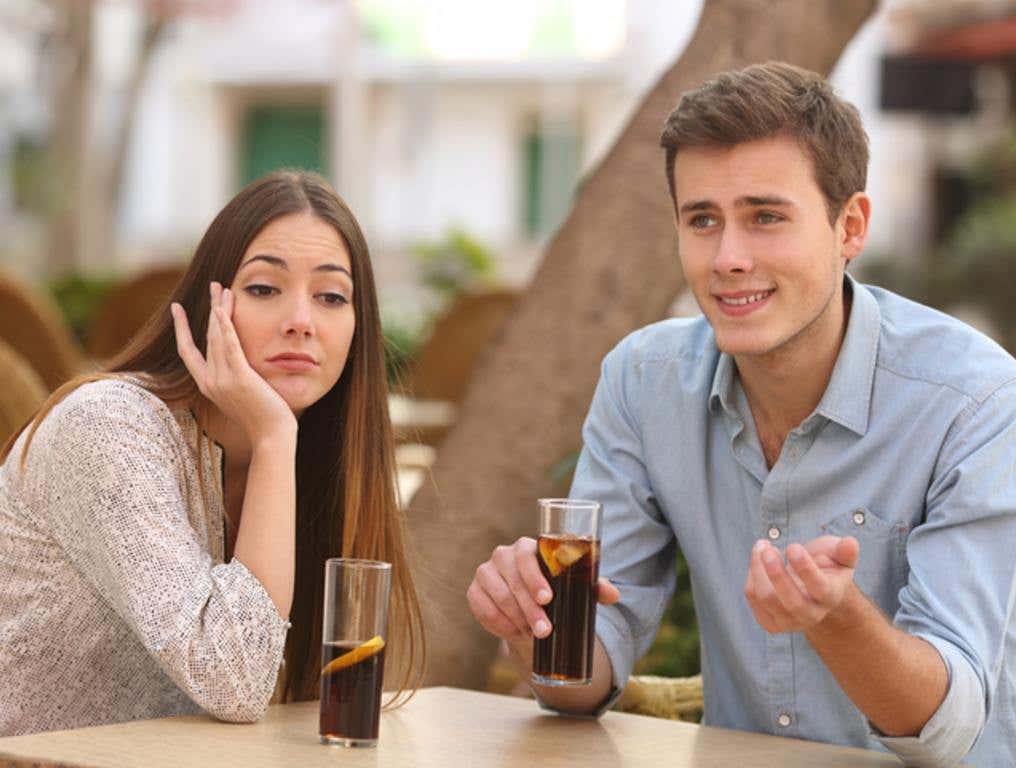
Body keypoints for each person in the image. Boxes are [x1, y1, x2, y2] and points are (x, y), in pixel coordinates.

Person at [467, 62, 1016, 766]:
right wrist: (534, 623)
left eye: (765, 217)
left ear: (849, 226)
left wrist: (836, 618)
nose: (728, 258)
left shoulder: (976, 402)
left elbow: (948, 730)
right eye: (703, 220)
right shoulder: (644, 383)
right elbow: (581, 677)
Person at [0, 170, 424, 736]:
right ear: (208, 308)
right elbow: (235, 680)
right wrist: (274, 437)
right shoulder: (108, 428)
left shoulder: (322, 462)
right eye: (264, 289)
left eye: (330, 296)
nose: (300, 321)